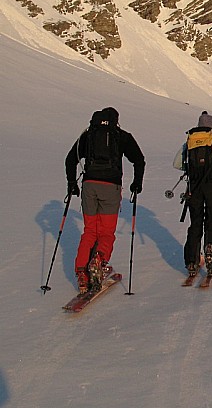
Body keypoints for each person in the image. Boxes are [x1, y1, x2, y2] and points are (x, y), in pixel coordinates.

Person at [65, 107, 145, 292]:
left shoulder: (88, 135)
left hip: (89, 186)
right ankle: (98, 261)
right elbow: (139, 159)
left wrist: (72, 183)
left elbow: (70, 160)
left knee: (89, 231)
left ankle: (81, 273)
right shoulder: (121, 135)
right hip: (111, 187)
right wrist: (137, 183)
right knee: (106, 232)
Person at [176, 111, 212, 276]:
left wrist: (191, 169)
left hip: (194, 187)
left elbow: (177, 163)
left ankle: (192, 260)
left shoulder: (190, 140)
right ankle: (210, 247)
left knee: (195, 222)